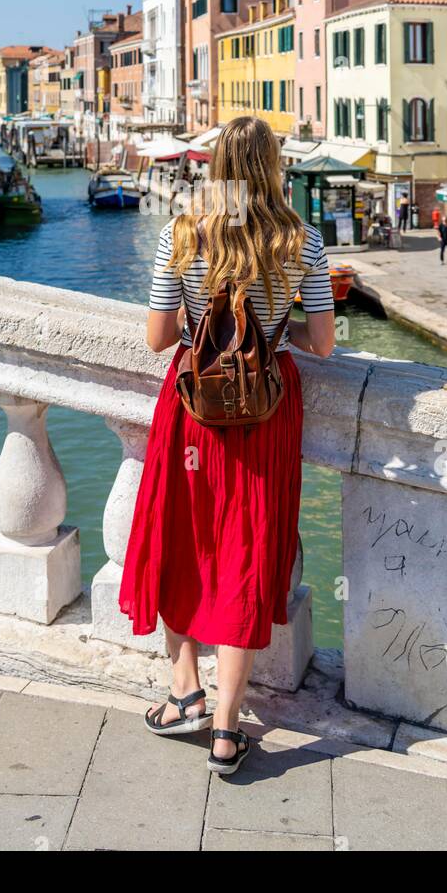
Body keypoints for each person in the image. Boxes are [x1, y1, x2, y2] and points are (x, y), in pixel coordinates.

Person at [118, 116, 335, 775]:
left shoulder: (182, 235)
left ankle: (185, 687)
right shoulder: (302, 240)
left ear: (215, 168)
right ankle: (225, 728)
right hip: (265, 417)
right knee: (244, 555)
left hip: (193, 415)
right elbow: (323, 342)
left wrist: (203, 326)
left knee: (177, 539)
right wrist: (274, 335)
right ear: (274, 169)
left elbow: (160, 338)